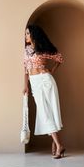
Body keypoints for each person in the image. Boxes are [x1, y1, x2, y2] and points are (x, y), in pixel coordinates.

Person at [23, 24, 65, 159]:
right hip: (34, 83)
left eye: (28, 34)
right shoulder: (26, 50)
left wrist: (52, 70)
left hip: (46, 80)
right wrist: (26, 86)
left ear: (34, 34)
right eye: (25, 34)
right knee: (44, 113)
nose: (26, 36)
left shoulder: (42, 49)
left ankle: (58, 145)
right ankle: (56, 143)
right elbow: (25, 70)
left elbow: (59, 58)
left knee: (51, 111)